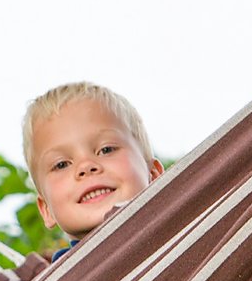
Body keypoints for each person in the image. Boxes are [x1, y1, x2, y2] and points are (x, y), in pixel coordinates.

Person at [22, 81, 164, 247]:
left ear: (153, 175)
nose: (86, 166)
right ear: (46, 210)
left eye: (106, 150)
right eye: (61, 165)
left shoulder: (189, 229)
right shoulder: (63, 273)